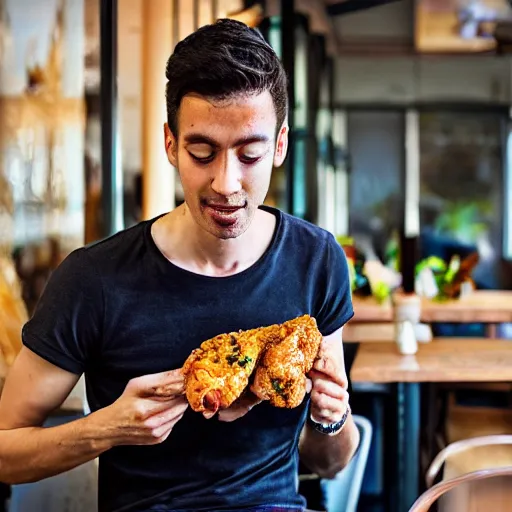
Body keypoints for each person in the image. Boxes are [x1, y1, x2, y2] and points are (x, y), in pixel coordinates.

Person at [0, 19, 359, 512]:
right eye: (202, 152)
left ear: (278, 146)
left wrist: (330, 417)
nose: (226, 183)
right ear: (171, 144)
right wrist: (106, 428)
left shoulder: (316, 261)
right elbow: (4, 451)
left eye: (249, 155)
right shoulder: (94, 279)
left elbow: (331, 462)